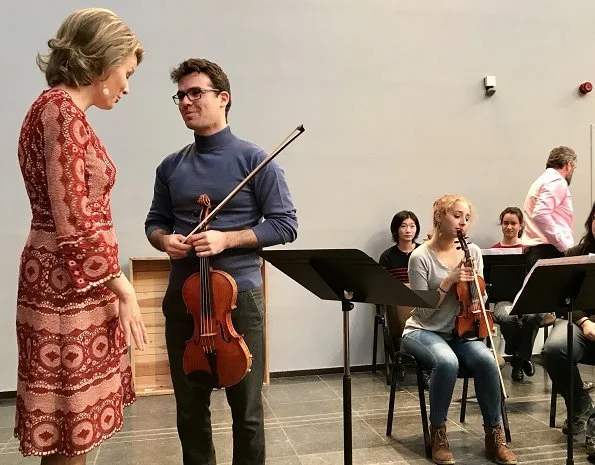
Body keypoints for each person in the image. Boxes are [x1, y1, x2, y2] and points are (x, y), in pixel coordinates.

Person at [144, 58, 298, 465]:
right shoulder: (170, 166)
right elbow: (154, 222)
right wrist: (165, 241)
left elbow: (285, 225)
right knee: (190, 412)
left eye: (196, 93)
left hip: (237, 304)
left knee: (246, 413)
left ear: (223, 98)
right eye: (180, 95)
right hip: (184, 300)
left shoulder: (256, 160)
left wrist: (226, 238)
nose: (186, 102)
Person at [14, 8, 148, 464]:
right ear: (102, 61)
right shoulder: (60, 111)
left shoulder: (58, 110)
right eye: (125, 73)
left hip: (72, 281)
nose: (127, 86)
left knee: (75, 434)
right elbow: (74, 220)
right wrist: (123, 287)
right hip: (66, 287)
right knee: (71, 431)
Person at [402, 195, 516, 465]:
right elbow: (422, 310)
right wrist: (450, 280)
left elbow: (481, 296)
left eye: (466, 217)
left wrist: (477, 296)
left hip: (462, 330)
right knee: (446, 361)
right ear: (439, 217)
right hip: (423, 330)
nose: (462, 222)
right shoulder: (420, 257)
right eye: (456, 215)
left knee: (488, 360)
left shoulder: (473, 252)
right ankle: (438, 433)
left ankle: (494, 435)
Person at [544, 201, 595, 460]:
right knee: (554, 349)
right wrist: (584, 321)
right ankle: (580, 407)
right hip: (580, 324)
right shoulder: (577, 253)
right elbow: (563, 299)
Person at [490, 207, 544, 382]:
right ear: (501, 225)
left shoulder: (530, 250)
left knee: (533, 316)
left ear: (520, 225)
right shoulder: (493, 250)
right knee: (506, 318)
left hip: (528, 298)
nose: (509, 227)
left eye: (513, 223)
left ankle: (518, 360)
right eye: (506, 223)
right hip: (504, 299)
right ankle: (521, 357)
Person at [378, 211, 430, 387]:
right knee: (400, 308)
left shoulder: (424, 252)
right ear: (396, 229)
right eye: (403, 226)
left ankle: (424, 367)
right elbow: (383, 285)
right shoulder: (388, 256)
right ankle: (400, 361)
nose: (408, 230)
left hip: (420, 300)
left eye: (412, 226)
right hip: (397, 301)